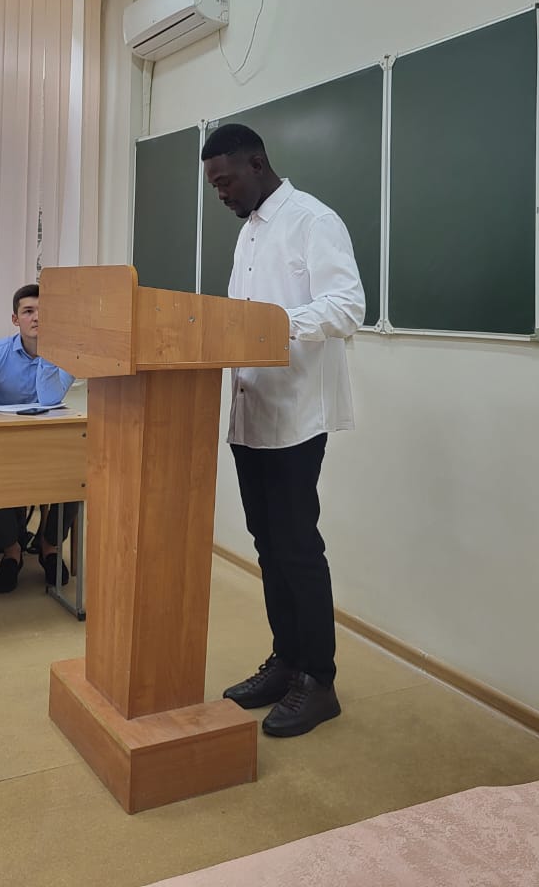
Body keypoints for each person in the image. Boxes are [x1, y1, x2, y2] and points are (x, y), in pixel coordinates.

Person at [201, 124, 365, 738]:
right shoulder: (248, 232)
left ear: (257, 163)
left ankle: (318, 681)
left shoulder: (312, 220)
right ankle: (287, 661)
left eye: (225, 181)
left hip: (296, 414)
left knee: (296, 547)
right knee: (268, 545)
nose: (221, 193)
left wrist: (271, 326)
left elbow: (348, 306)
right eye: (214, 186)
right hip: (251, 410)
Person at [0, 284, 77, 594]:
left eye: (45, 312)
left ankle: (49, 545)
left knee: (78, 476)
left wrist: (48, 352)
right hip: (3, 445)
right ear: (15, 319)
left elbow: (48, 398)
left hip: (48, 445)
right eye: (29, 311)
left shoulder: (67, 355)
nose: (37, 318)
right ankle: (12, 550)